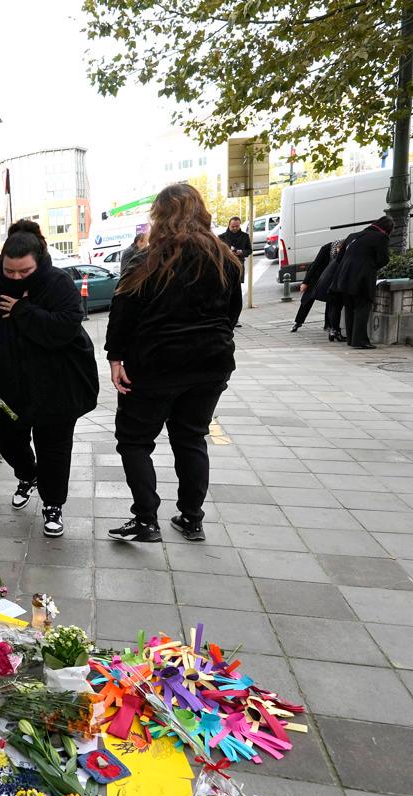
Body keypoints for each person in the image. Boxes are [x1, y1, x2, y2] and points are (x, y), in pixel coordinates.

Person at [105, 184, 242, 543]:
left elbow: (123, 314)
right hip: (211, 362)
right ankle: (191, 518)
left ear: (160, 216)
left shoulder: (147, 260)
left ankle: (146, 519)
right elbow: (231, 314)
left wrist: (115, 357)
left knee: (134, 440)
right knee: (192, 437)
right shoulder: (225, 257)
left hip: (156, 364)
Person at [0, 220, 99, 537]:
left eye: (23, 272)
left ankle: (53, 505)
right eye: (9, 271)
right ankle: (28, 474)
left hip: (55, 387)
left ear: (37, 262)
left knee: (53, 448)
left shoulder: (57, 284)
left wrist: (23, 310)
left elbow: (65, 328)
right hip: (6, 386)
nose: (14, 277)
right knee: (8, 441)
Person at [335, 216, 393, 349]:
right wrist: (370, 266)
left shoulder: (352, 236)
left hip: (344, 277)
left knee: (349, 307)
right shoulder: (381, 237)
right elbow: (383, 259)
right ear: (388, 229)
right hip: (363, 278)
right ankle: (360, 341)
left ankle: (351, 338)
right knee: (362, 306)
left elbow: (339, 258)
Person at [291, 238, 345, 336]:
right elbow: (315, 265)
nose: (338, 253)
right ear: (336, 247)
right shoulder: (326, 248)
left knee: (330, 299)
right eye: (337, 251)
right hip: (317, 276)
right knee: (307, 299)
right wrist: (305, 282)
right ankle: (298, 322)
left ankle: (328, 325)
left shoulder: (343, 251)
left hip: (330, 278)